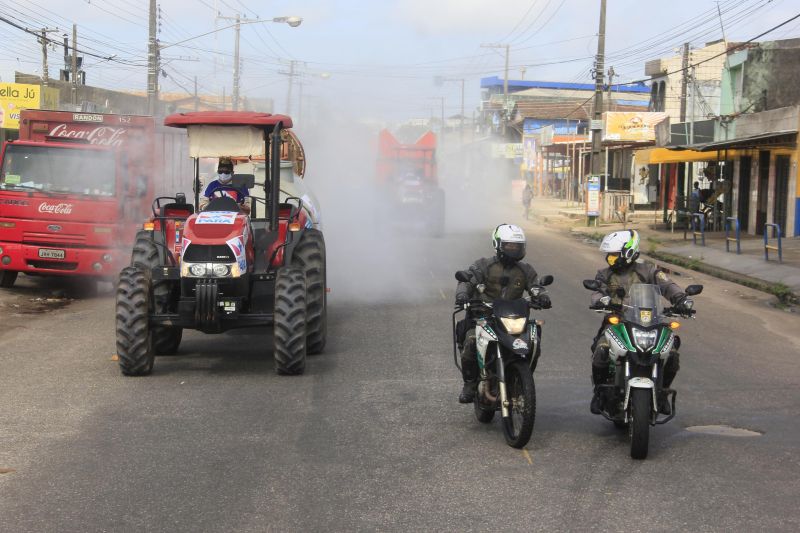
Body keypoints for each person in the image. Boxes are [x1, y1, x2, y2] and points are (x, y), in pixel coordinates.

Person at [588, 229, 694, 415]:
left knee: (672, 354)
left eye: (614, 255)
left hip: (649, 322)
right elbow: (597, 290)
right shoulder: (604, 274)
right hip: (617, 323)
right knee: (601, 350)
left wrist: (681, 299)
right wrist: (600, 300)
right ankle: (600, 392)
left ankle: (662, 394)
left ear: (628, 252)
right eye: (609, 255)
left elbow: (668, 286)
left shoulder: (649, 270)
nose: (610, 259)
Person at [454, 223, 552, 403]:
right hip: (484, 317)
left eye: (517, 246)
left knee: (533, 342)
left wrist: (542, 297)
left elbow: (536, 287)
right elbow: (467, 281)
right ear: (498, 244)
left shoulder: (525, 270)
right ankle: (469, 383)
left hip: (513, 318)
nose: (513, 249)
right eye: (509, 245)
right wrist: (462, 295)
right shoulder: (483, 265)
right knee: (471, 342)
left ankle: (523, 379)